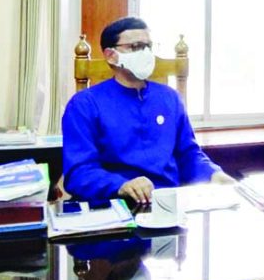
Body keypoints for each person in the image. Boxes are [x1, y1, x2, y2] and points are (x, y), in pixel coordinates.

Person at [62, 16, 233, 202]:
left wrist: (214, 175)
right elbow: (79, 173)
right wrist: (121, 185)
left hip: (169, 203)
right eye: (135, 47)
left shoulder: (170, 98)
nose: (145, 53)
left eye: (148, 47)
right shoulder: (84, 104)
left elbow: (189, 154)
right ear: (111, 55)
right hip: (115, 204)